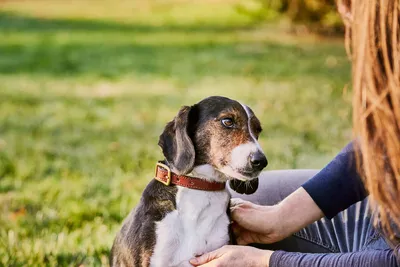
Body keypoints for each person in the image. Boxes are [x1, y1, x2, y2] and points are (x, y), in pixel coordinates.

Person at [189, 0, 400, 266]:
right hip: (380, 216)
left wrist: (268, 261)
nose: (341, 10)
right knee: (244, 200)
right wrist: (282, 216)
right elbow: (384, 147)